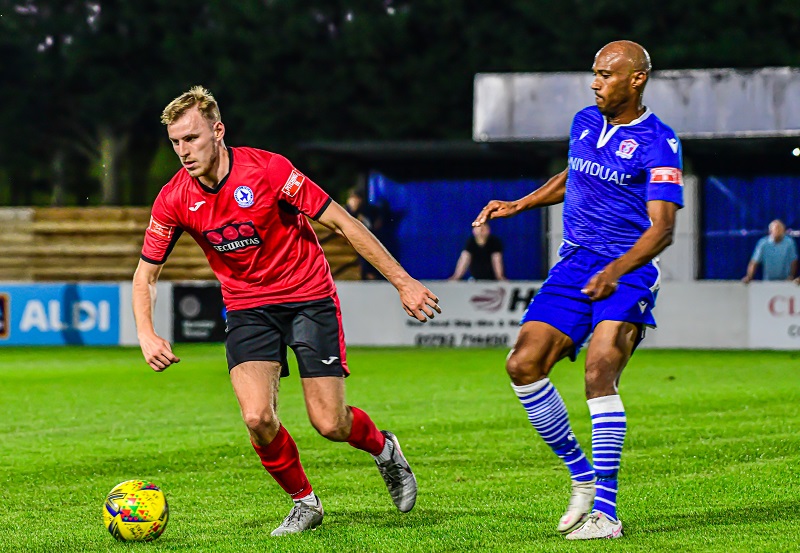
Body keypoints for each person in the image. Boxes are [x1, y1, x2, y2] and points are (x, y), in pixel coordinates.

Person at [132, 86, 441, 537]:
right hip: (247, 308)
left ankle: (385, 449)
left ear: (218, 131)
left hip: (307, 296)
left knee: (329, 423)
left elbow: (342, 220)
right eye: (176, 142)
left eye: (192, 138)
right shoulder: (175, 198)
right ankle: (305, 503)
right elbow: (146, 275)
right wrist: (146, 331)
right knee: (257, 417)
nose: (184, 152)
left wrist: (403, 282)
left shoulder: (269, 170)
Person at [473, 41, 682, 540]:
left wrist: (617, 269)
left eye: (606, 75)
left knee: (600, 366)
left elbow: (663, 229)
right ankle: (581, 475)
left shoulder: (659, 142)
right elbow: (577, 176)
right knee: (522, 365)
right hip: (573, 266)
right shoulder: (584, 122)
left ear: (637, 80)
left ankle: (606, 513)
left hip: (628, 271)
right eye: (594, 73)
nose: (595, 83)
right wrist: (521, 204)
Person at [344, 187, 386, 280]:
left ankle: (370, 273)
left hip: (368, 237)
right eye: (352, 198)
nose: (354, 201)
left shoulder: (368, 210)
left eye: (357, 198)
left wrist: (376, 225)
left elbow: (377, 219)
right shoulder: (346, 211)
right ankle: (366, 273)